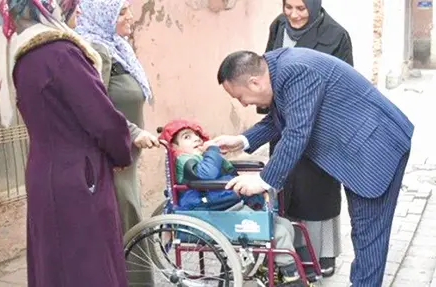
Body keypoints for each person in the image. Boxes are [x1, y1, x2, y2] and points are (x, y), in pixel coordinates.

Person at [213, 48, 414, 287]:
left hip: (375, 146)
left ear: (254, 82)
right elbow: (282, 119)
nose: (243, 104)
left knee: (368, 235)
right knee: (364, 233)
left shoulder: (297, 70)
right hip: (357, 145)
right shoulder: (276, 70)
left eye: (239, 97)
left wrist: (263, 180)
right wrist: (242, 140)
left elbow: (297, 132)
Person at [0, 0, 132, 286]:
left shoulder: (23, 55)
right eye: (72, 4)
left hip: (44, 170)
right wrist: (121, 153)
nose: (79, 11)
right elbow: (102, 119)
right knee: (88, 264)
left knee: (55, 264)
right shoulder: (62, 53)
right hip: (80, 176)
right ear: (51, 7)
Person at [262, 0, 354, 277]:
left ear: (314, 6)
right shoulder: (278, 26)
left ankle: (323, 252)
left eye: (301, 8)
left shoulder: (336, 35)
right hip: (284, 121)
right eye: (288, 7)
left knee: (318, 192)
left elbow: (344, 82)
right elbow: (267, 66)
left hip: (321, 126)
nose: (294, 15)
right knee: (286, 185)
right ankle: (292, 251)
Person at [159, 119, 307, 287]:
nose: (196, 139)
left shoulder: (200, 158)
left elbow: (220, 171)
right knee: (278, 232)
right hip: (212, 212)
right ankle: (291, 277)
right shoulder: (185, 160)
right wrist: (213, 150)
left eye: (197, 136)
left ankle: (269, 267)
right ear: (175, 148)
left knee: (285, 224)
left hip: (226, 207)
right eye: (187, 137)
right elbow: (206, 175)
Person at [76, 0, 158, 234]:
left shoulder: (118, 48)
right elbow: (94, 106)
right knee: (122, 220)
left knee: (129, 217)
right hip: (112, 155)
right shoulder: (95, 51)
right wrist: (132, 133)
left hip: (126, 154)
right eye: (121, 12)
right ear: (100, 16)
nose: (131, 16)